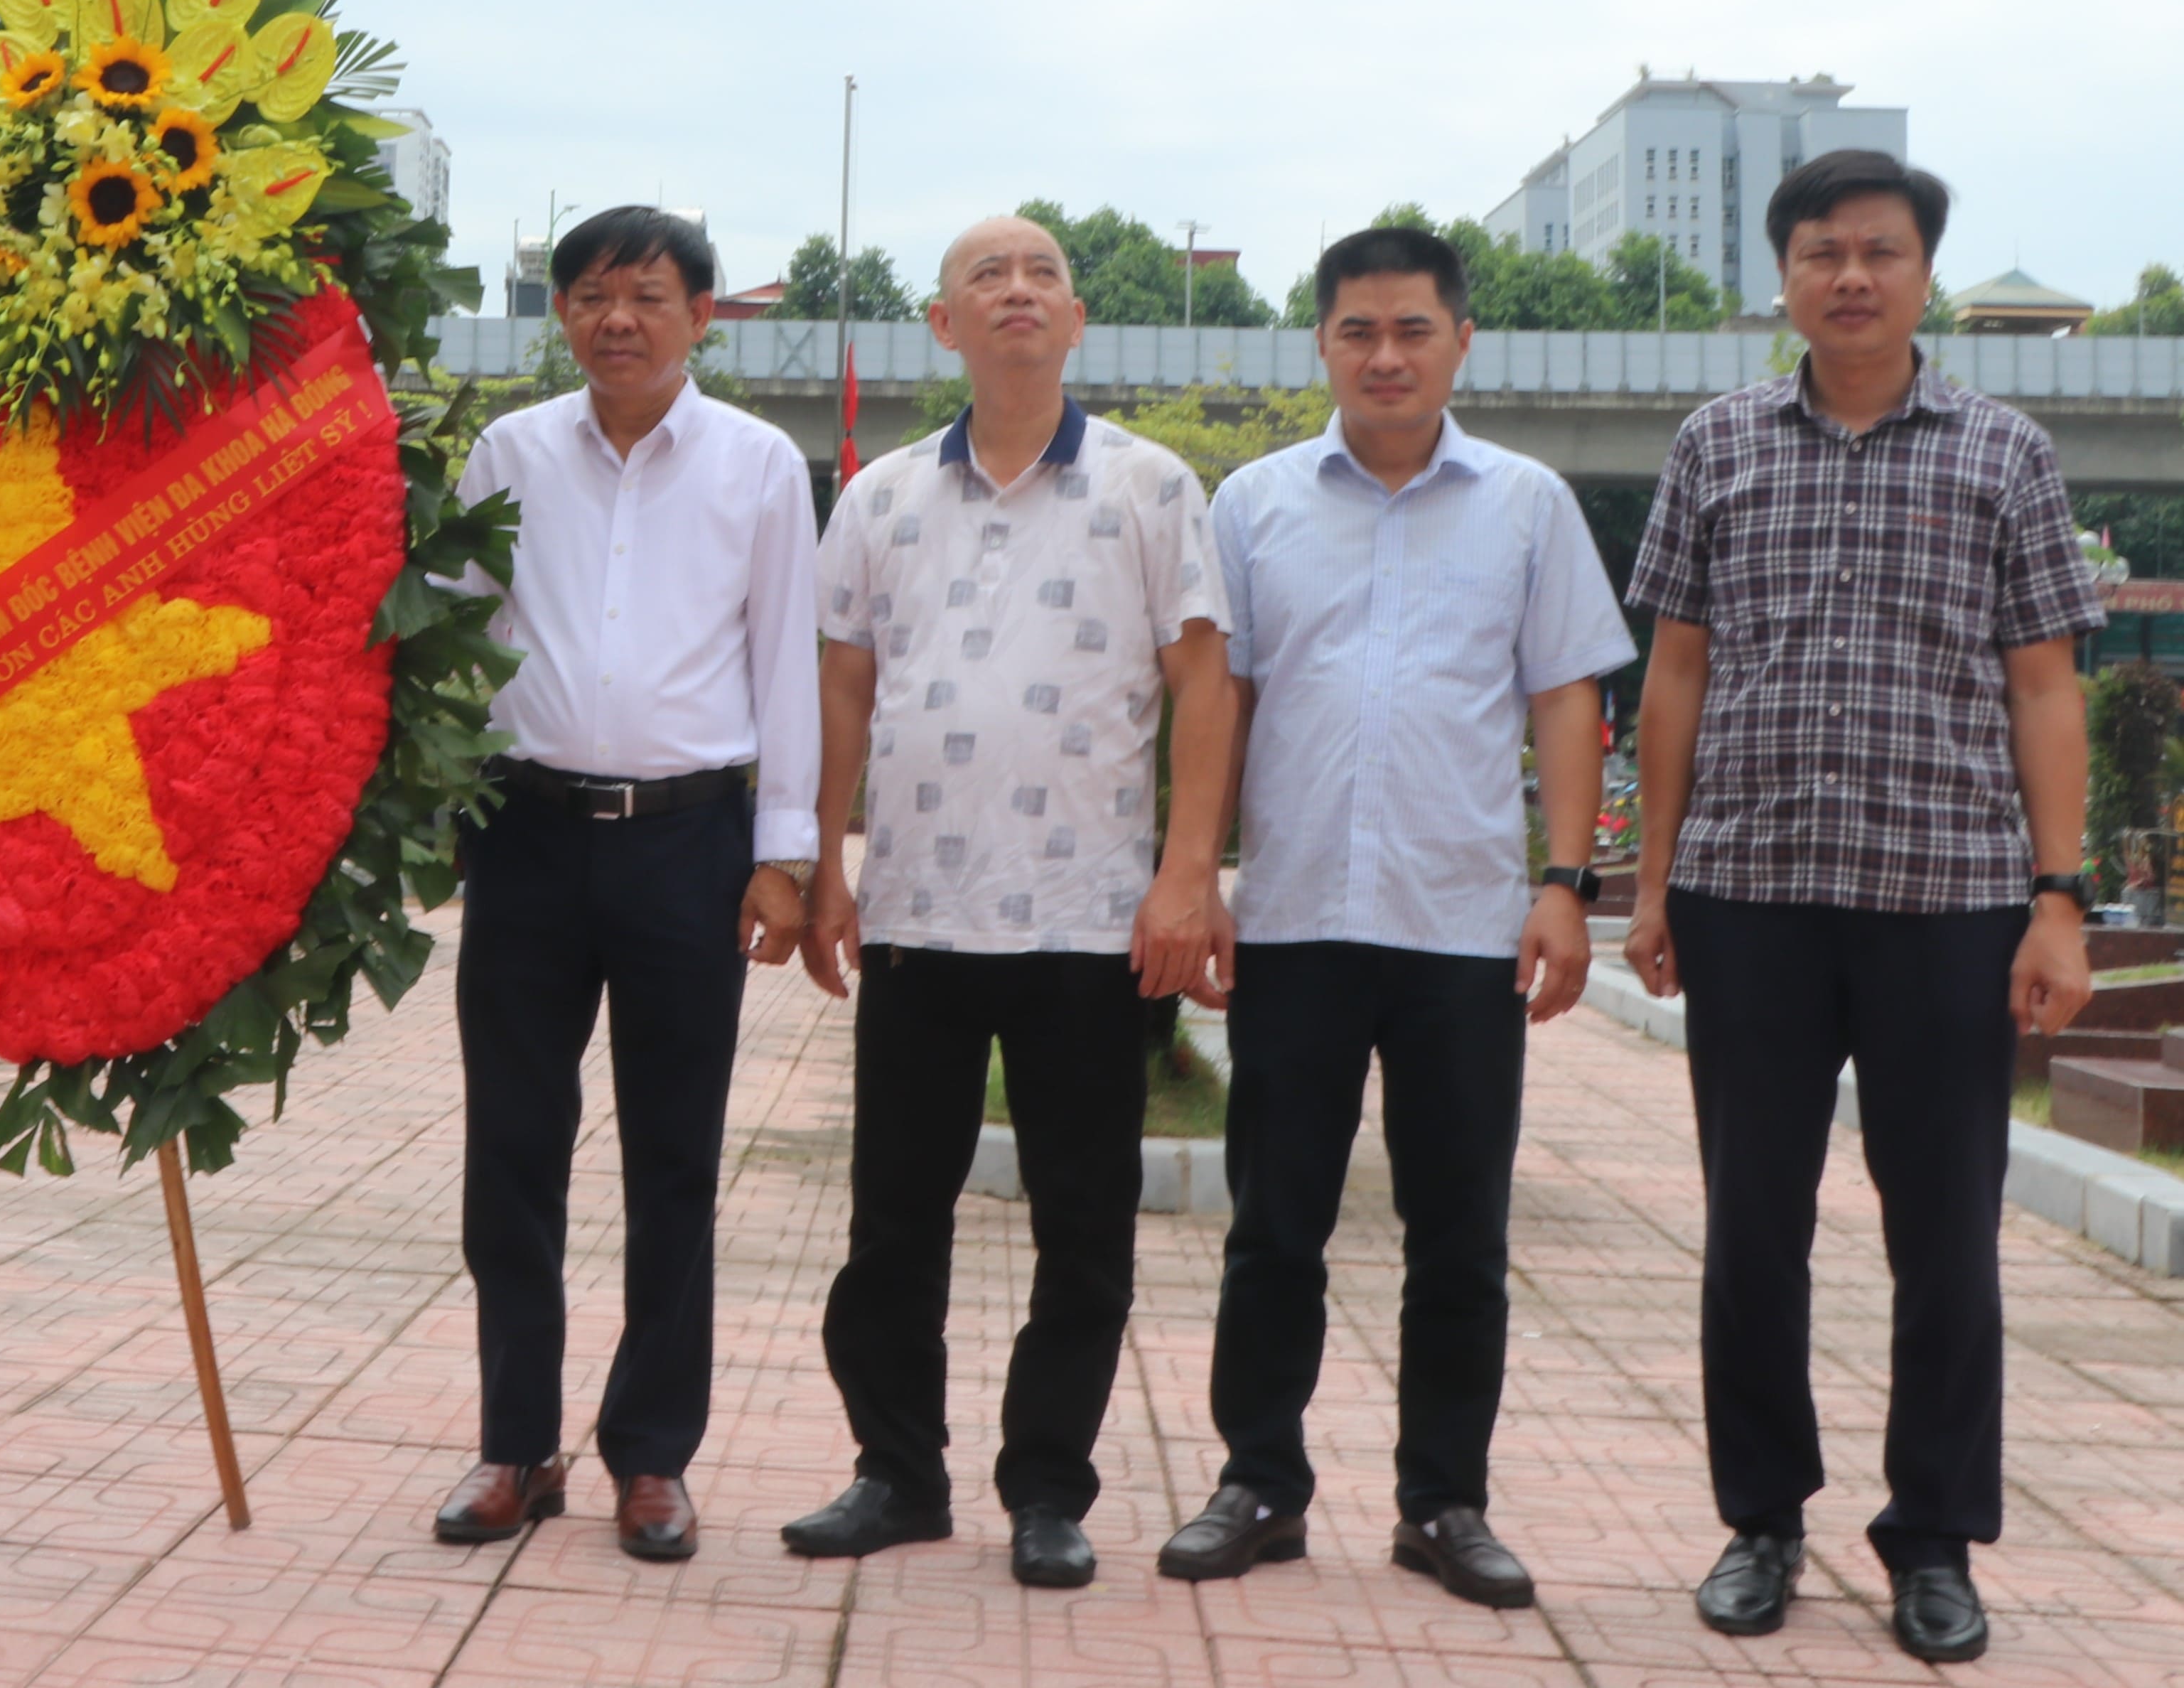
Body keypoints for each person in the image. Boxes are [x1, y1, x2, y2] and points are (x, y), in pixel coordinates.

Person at [1623, 151, 2102, 1666]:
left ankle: (1933, 1539)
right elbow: (1675, 672)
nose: (1848, 275)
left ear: (1921, 272)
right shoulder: (1713, 445)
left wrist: (2057, 902)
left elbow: (2041, 683)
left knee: (1945, 1233)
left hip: (1944, 901)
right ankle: (1758, 1521)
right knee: (1748, 1227)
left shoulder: (2003, 452)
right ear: (1779, 274)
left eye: (1877, 251)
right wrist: (1647, 882)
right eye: (1820, 251)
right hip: (1748, 891)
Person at [1159, 225, 1631, 1606]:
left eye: (1410, 329)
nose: (1382, 354)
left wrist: (1563, 881)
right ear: (1319, 344)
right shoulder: (1249, 505)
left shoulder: (1527, 505)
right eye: (1356, 330)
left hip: (1460, 927)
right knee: (1272, 1229)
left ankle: (1441, 1503)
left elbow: (1563, 698)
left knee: (1457, 1242)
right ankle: (1257, 1483)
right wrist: (1196, 878)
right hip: (1297, 920)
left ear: (1458, 342)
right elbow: (1217, 702)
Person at [782, 213, 1233, 1589]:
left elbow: (1202, 686)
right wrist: (821, 865)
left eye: (1041, 274)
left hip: (1091, 925)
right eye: (987, 274)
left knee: (1079, 1228)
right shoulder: (876, 500)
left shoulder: (1150, 489)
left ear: (1075, 318)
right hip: (918, 915)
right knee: (889, 1221)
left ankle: (1047, 1488)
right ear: (943, 324)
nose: (1017, 292)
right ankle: (895, 1473)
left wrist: (1183, 875)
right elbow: (840, 687)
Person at [429, 205, 818, 1566]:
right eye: (592, 294)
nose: (618, 319)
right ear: (564, 315)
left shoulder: (761, 468)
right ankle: (517, 1446)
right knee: (513, 1153)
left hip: (686, 846)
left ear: (700, 315)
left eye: (647, 295)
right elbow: (455, 626)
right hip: (527, 838)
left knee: (674, 1160)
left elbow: (786, 668)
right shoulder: (511, 452)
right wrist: (445, 807)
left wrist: (788, 856)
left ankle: (652, 1457)